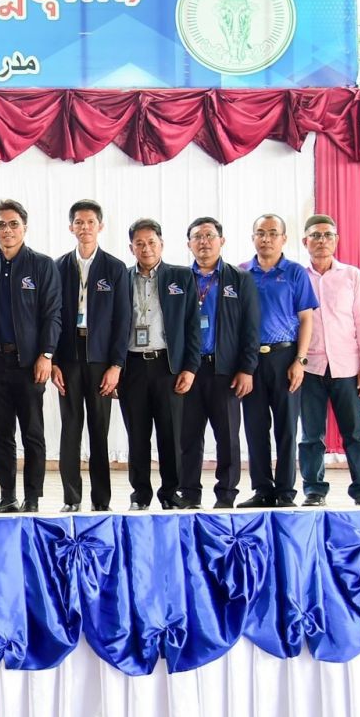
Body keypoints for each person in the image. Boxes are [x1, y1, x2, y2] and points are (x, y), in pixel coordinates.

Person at [0, 199, 60, 513]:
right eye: (1, 224)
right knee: (1, 434)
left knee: (32, 433)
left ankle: (32, 498)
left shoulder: (42, 265)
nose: (8, 230)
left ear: (24, 227)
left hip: (29, 364)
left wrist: (46, 354)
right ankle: (7, 496)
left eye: (14, 224)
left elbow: (53, 314)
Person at [53, 199, 131, 512]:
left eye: (90, 222)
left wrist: (116, 365)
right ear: (70, 227)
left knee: (99, 431)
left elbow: (123, 320)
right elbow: (51, 317)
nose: (84, 227)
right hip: (68, 358)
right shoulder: (58, 266)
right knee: (70, 429)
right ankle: (71, 498)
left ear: (100, 226)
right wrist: (53, 361)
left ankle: (101, 500)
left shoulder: (115, 268)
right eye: (78, 222)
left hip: (100, 360)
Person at [177, 216, 260, 509]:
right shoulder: (179, 279)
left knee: (227, 437)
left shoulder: (240, 279)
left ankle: (226, 495)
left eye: (209, 236)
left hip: (224, 370)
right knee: (188, 436)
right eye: (197, 237)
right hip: (188, 370)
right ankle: (189, 494)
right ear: (189, 244)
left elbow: (251, 328)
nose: (204, 242)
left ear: (221, 241)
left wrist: (247, 369)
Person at [118, 218, 199, 511]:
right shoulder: (122, 277)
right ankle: (140, 495)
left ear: (161, 244)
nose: (146, 248)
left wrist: (190, 368)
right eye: (139, 243)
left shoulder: (181, 276)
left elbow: (192, 325)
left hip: (168, 366)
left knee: (171, 434)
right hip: (132, 367)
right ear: (131, 248)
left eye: (151, 242)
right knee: (137, 436)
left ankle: (171, 493)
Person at [238, 214, 318, 508]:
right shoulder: (241, 273)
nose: (266, 238)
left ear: (284, 238)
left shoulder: (295, 273)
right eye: (261, 233)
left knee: (287, 428)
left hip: (285, 357)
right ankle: (262, 489)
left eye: (273, 233)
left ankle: (285, 491)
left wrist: (300, 360)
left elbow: (306, 319)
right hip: (251, 361)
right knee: (255, 428)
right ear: (253, 238)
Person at [297, 215, 360, 507]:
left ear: (336, 240)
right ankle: (314, 490)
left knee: (355, 434)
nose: (322, 241)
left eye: (328, 235)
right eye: (316, 236)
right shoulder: (297, 275)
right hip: (310, 368)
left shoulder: (352, 276)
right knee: (311, 435)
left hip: (348, 367)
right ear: (305, 241)